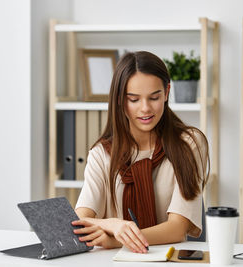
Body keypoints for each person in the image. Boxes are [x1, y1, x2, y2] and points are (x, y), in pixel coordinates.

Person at [71, 51, 210, 254]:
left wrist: (119, 240)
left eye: (154, 97)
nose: (145, 108)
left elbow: (178, 228)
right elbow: (79, 220)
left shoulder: (189, 144)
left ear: (167, 92)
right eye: (134, 100)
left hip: (167, 259)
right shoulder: (102, 154)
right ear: (120, 100)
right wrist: (114, 225)